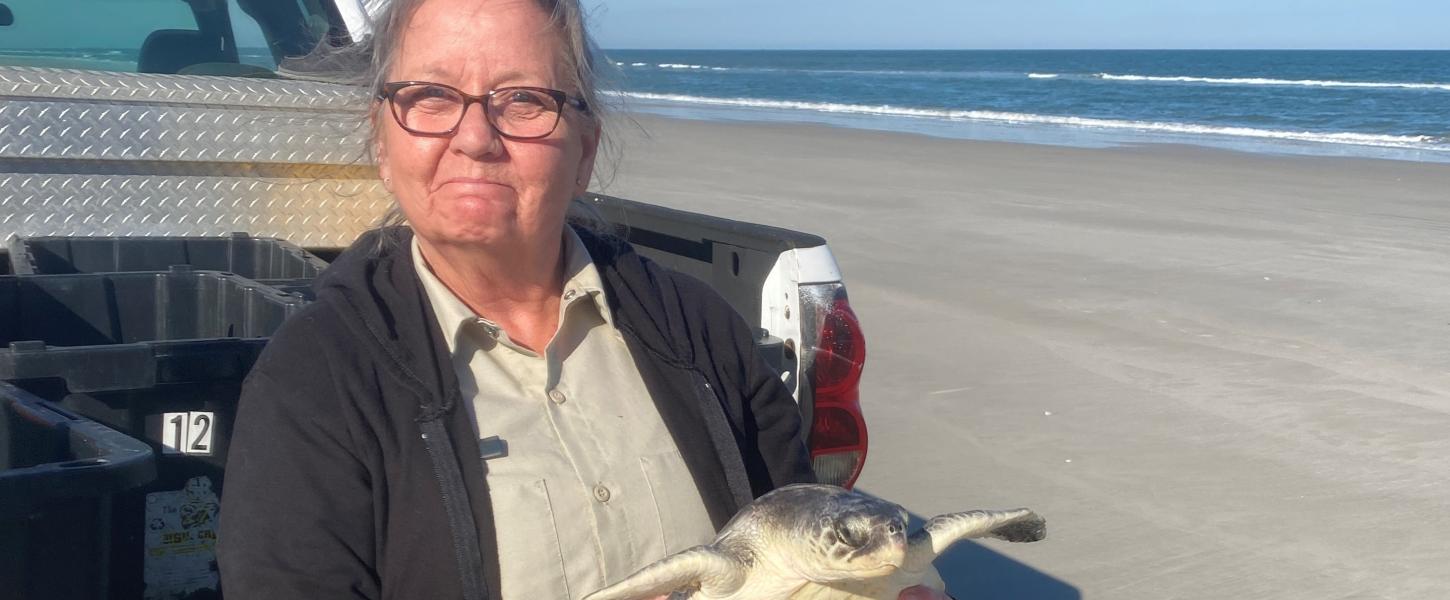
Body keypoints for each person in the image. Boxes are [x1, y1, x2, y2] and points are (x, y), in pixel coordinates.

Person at [216, 0, 951, 598]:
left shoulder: (699, 333)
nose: (475, 136)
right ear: (383, 137)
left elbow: (801, 542)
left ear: (586, 146)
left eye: (524, 100)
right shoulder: (317, 381)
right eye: (430, 96)